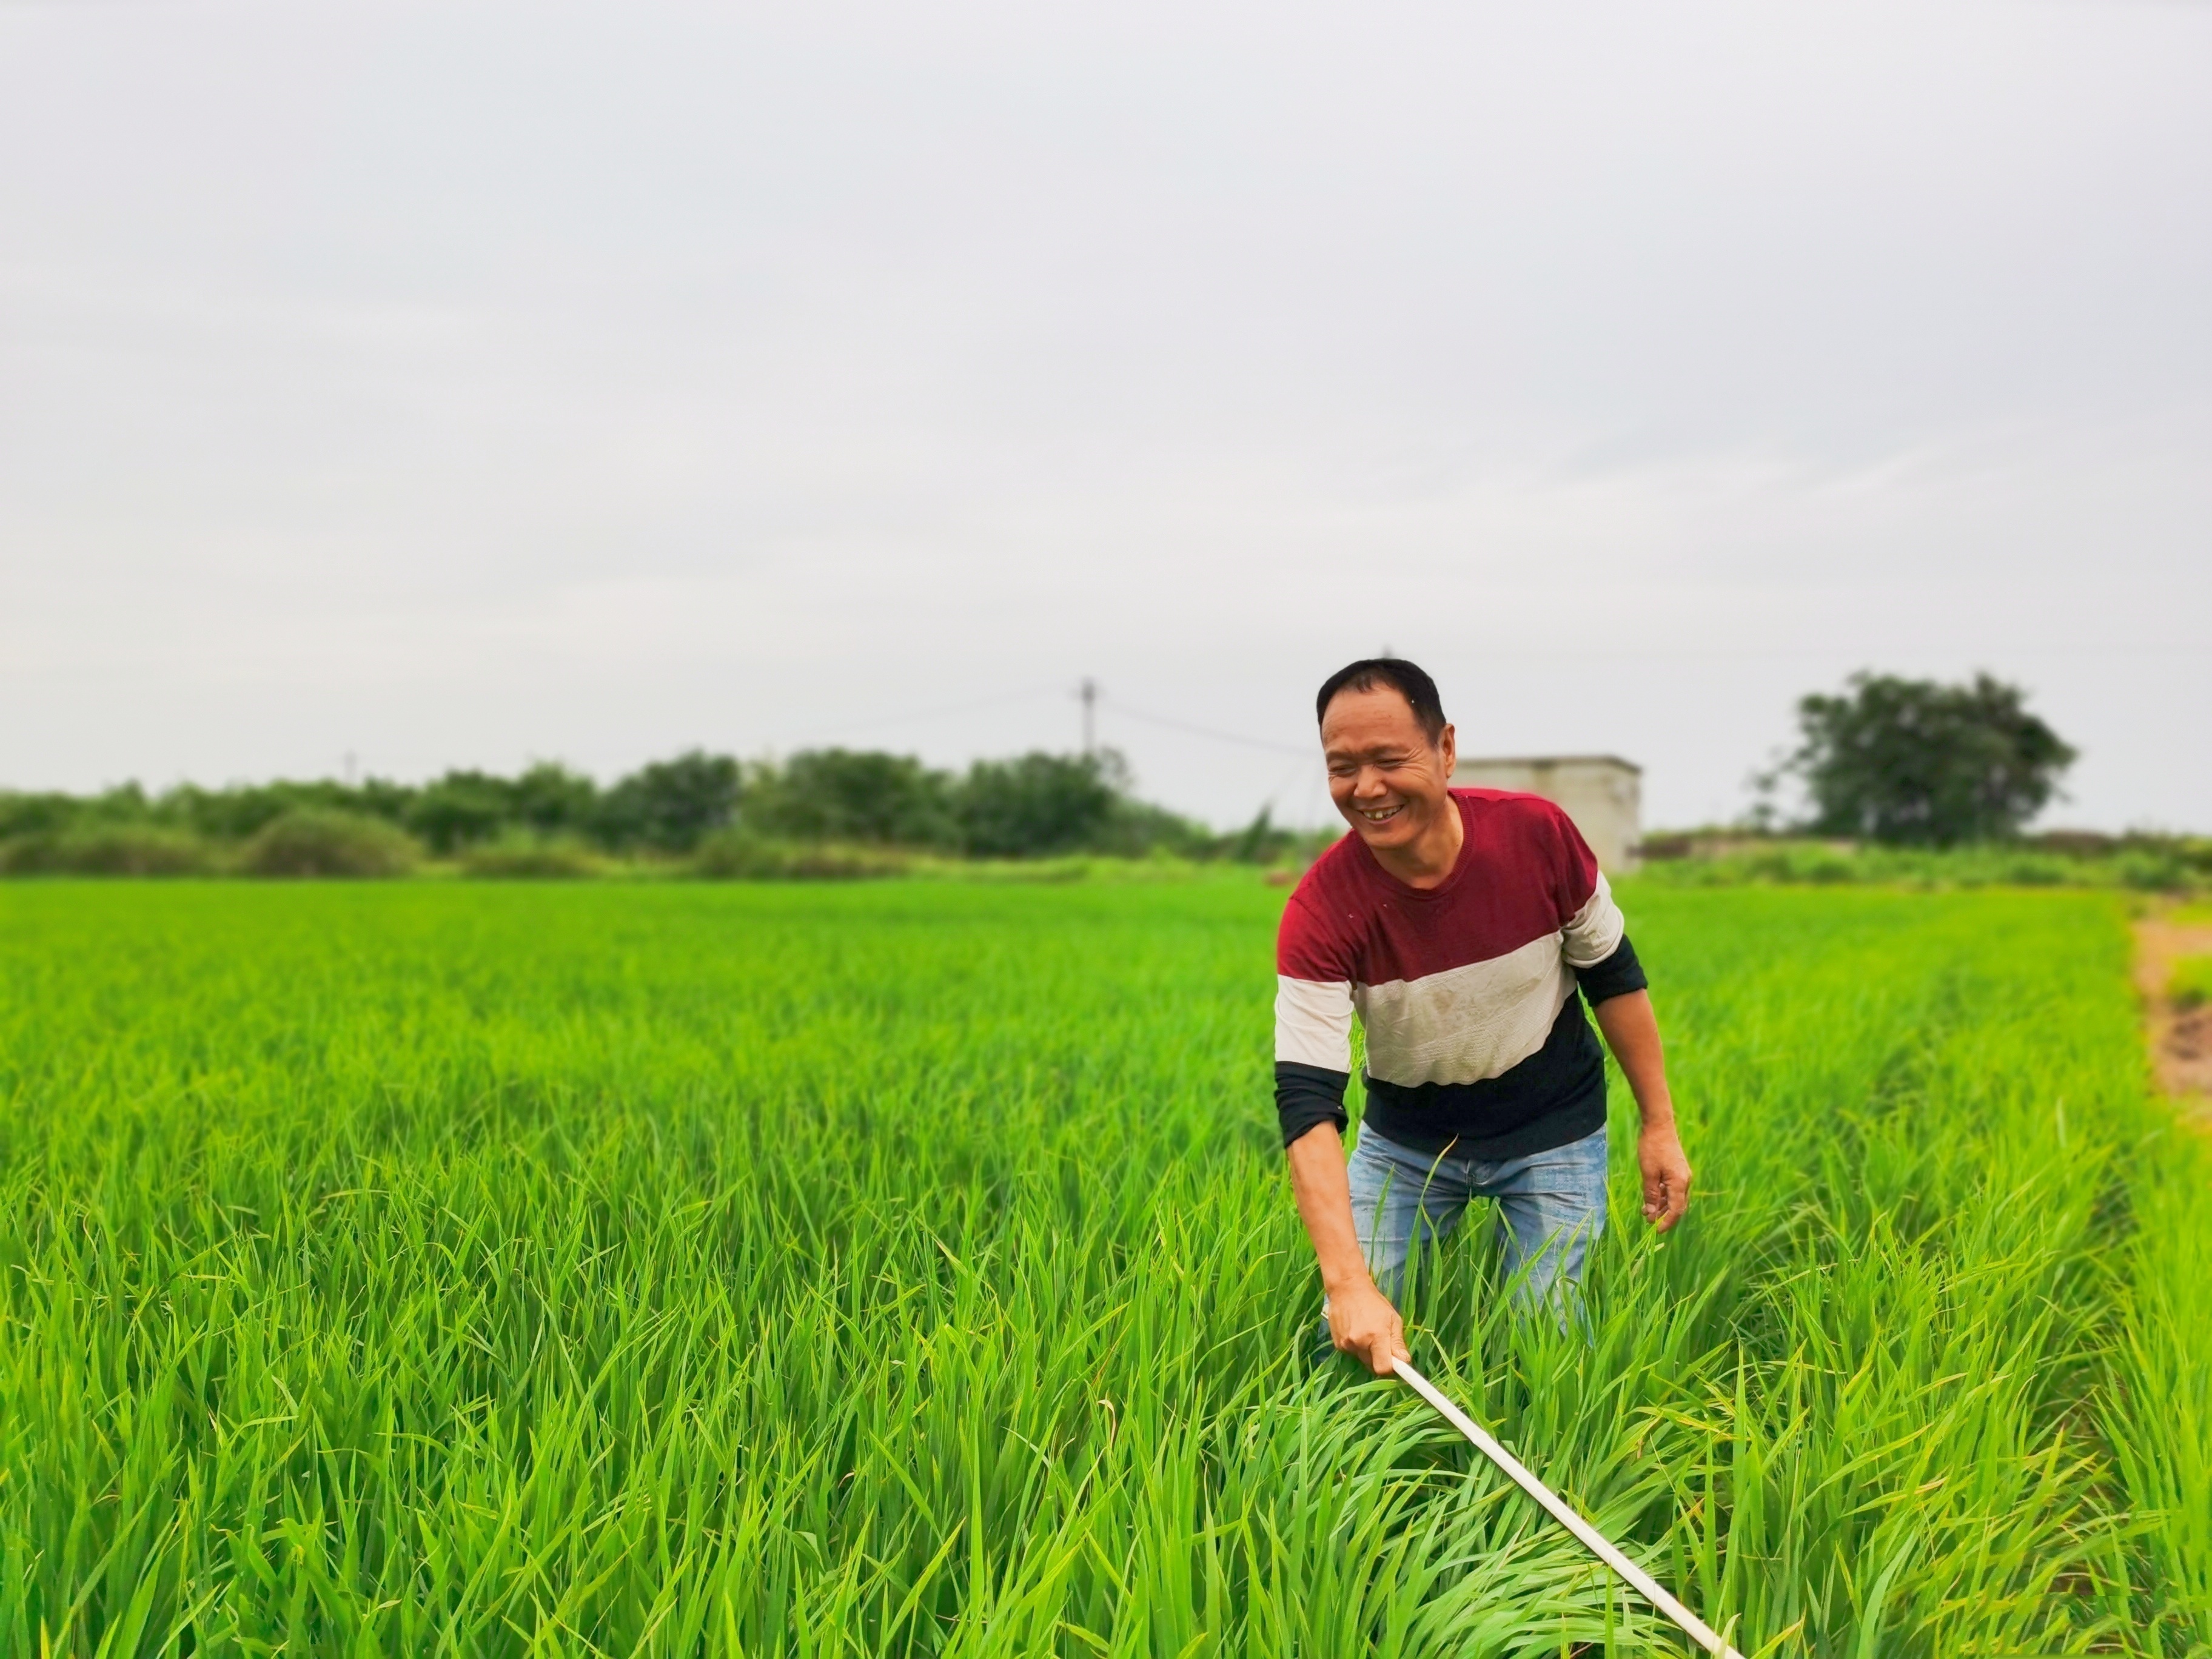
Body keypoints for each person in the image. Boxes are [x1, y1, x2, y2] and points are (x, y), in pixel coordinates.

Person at [1276, 659, 1694, 1375]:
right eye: (1342, 766)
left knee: (1548, 1347)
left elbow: (1613, 976)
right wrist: (1347, 1286)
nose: (1366, 788)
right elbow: (1307, 1099)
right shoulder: (1321, 911)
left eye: (1389, 759)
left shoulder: (1537, 838)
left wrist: (1659, 1125)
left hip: (1553, 1125)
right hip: (1408, 1141)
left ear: (1445, 750)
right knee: (1347, 1346)